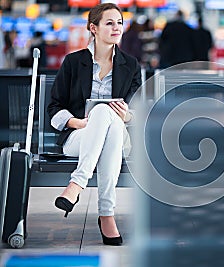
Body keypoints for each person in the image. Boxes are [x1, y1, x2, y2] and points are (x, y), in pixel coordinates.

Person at [48, 3, 142, 246]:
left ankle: (77, 183)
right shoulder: (73, 62)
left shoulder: (130, 65)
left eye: (119, 23)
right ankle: (107, 214)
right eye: (109, 23)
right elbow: (55, 107)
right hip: (79, 137)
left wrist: (127, 116)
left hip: (120, 136)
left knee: (105, 113)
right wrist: (75, 122)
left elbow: (138, 110)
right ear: (93, 28)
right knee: (101, 114)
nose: (116, 28)